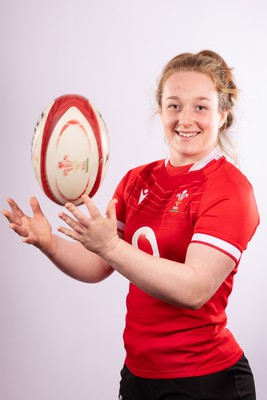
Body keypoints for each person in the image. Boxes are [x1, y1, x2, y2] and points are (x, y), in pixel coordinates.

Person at [3, 50, 260, 400]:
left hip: (205, 379)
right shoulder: (138, 180)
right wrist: (49, 243)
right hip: (139, 374)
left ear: (223, 115)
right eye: (174, 105)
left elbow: (194, 289)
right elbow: (98, 265)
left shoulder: (230, 188)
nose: (185, 118)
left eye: (201, 106)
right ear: (160, 110)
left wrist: (111, 246)